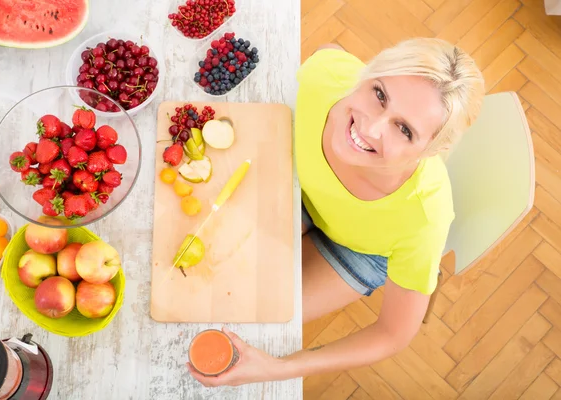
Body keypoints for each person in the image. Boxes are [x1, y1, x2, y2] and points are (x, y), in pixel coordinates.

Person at [186, 37, 485, 387]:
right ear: (368, 72)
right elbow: (329, 50)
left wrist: (278, 368)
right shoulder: (326, 78)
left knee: (247, 308)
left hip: (359, 250)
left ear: (432, 150)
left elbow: (392, 334)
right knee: (209, 274)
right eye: (379, 94)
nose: (369, 129)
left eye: (404, 129)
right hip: (302, 191)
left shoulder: (424, 219)